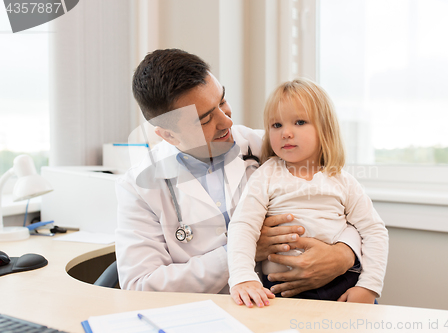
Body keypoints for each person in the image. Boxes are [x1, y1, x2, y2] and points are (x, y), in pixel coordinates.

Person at [115, 48, 363, 296]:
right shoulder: (139, 187)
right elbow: (141, 285)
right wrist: (243, 249)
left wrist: (343, 254)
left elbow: (347, 205)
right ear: (168, 134)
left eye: (222, 101)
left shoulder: (270, 147)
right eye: (205, 119)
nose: (226, 122)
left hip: (286, 303)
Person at [228, 78, 389, 307]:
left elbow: (374, 231)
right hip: (279, 292)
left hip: (342, 286)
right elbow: (243, 225)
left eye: (300, 122)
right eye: (276, 125)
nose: (286, 133)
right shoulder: (266, 175)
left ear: (325, 128)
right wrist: (243, 278)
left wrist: (368, 286)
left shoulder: (341, 180)